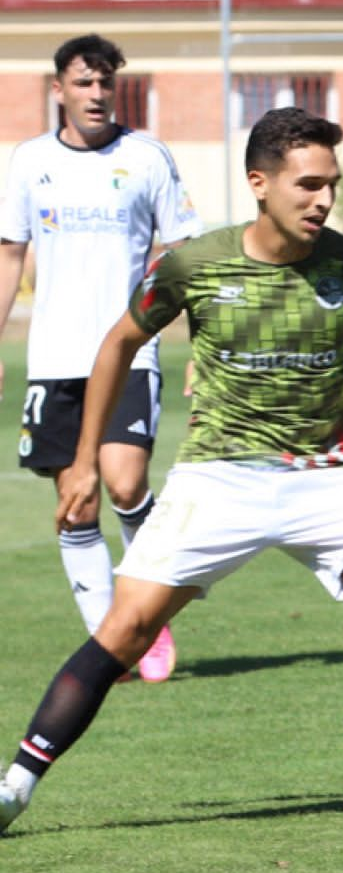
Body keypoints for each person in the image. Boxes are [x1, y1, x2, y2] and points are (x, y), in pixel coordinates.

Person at [0, 108, 343, 834]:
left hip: (323, 477)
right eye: (307, 184)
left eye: (331, 185)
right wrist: (84, 461)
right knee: (124, 633)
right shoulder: (194, 265)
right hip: (218, 477)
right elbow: (117, 344)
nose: (323, 199)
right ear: (260, 183)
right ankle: (16, 786)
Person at [0, 34, 203, 682]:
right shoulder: (28, 162)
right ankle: (109, 642)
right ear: (56, 90)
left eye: (104, 84)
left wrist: (203, 344)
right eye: (82, 83)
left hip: (129, 354)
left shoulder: (145, 157)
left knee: (122, 483)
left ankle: (146, 609)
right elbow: (9, 255)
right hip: (55, 359)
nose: (95, 94)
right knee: (75, 505)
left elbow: (184, 253)